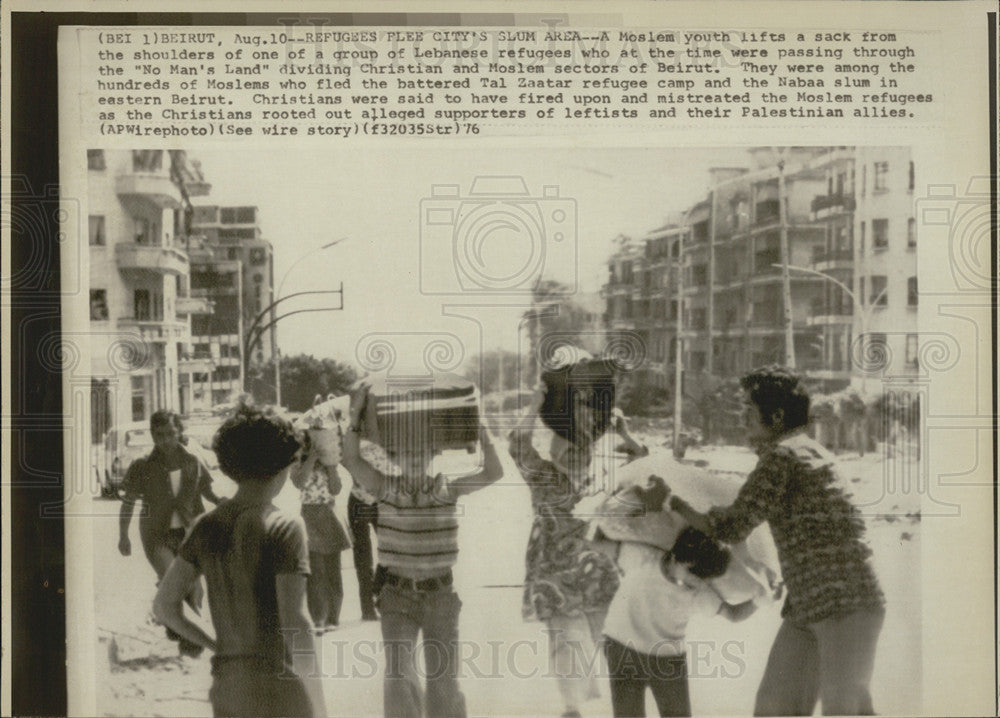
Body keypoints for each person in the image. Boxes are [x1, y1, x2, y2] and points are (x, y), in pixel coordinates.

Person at [667, 365, 886, 716]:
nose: (744, 422)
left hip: (846, 602)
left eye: (750, 414)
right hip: (809, 605)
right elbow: (740, 514)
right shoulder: (806, 452)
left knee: (846, 712)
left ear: (778, 416)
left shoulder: (783, 457)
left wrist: (670, 502)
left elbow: (732, 527)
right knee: (775, 709)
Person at [340, 379, 504, 718]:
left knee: (444, 682)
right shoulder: (384, 487)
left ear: (434, 453)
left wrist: (479, 424)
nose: (415, 457)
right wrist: (355, 415)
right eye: (406, 452)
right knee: (399, 680)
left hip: (441, 596)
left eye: (422, 450)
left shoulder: (447, 489)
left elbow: (493, 472)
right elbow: (352, 460)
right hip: (396, 596)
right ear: (395, 455)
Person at [153, 404, 326, 718]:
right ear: (282, 465)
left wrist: (215, 643)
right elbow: (295, 623)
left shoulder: (205, 526)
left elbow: (165, 606)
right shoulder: (285, 526)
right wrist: (318, 703)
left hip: (229, 684)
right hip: (277, 684)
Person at [507, 358, 645, 718]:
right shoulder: (543, 477)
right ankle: (572, 709)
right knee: (567, 644)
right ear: (555, 454)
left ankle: (623, 707)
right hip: (556, 575)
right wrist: (536, 405)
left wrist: (625, 433)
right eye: (567, 451)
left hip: (600, 571)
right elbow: (517, 443)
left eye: (581, 450)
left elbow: (645, 463)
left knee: (611, 641)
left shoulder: (602, 474)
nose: (576, 455)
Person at [603, 526, 757, 718]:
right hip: (622, 646)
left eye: (705, 580)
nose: (699, 584)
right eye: (695, 577)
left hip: (667, 658)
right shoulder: (643, 558)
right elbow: (603, 547)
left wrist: (759, 600)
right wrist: (580, 544)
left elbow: (733, 614)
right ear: (676, 558)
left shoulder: (699, 591)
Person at [118, 410, 224, 657]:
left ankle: (185, 638)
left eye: (170, 434)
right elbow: (129, 502)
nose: (164, 440)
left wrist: (219, 500)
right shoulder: (142, 466)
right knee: (171, 579)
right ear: (153, 436)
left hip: (191, 532)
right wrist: (123, 535)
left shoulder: (192, 461)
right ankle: (185, 634)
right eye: (159, 435)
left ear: (180, 433)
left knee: (194, 588)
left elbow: (206, 490)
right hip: (157, 535)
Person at [291, 435, 351, 632]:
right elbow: (298, 482)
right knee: (315, 570)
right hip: (309, 515)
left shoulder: (329, 462)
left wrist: (330, 465)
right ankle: (319, 618)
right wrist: (311, 458)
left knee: (333, 569)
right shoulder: (297, 461)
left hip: (328, 513)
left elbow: (336, 489)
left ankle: (333, 618)